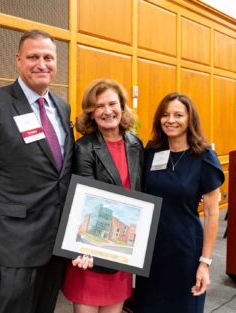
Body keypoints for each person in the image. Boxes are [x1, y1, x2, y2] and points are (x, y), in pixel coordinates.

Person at [0, 29, 74, 313]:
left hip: (54, 244)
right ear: (18, 60)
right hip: (13, 248)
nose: (41, 64)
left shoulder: (61, 106)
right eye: (33, 57)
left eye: (48, 57)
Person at [135, 92, 225, 313]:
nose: (171, 120)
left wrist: (205, 263)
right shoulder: (152, 151)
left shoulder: (204, 157)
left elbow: (213, 213)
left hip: (185, 250)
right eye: (165, 115)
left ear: (190, 119)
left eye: (178, 115)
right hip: (151, 251)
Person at [61, 79, 143, 313]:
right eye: (99, 106)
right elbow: (85, 201)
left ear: (122, 106)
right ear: (91, 113)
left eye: (112, 104)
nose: (108, 111)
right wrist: (84, 246)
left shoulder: (135, 144)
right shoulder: (84, 148)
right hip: (90, 250)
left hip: (121, 252)